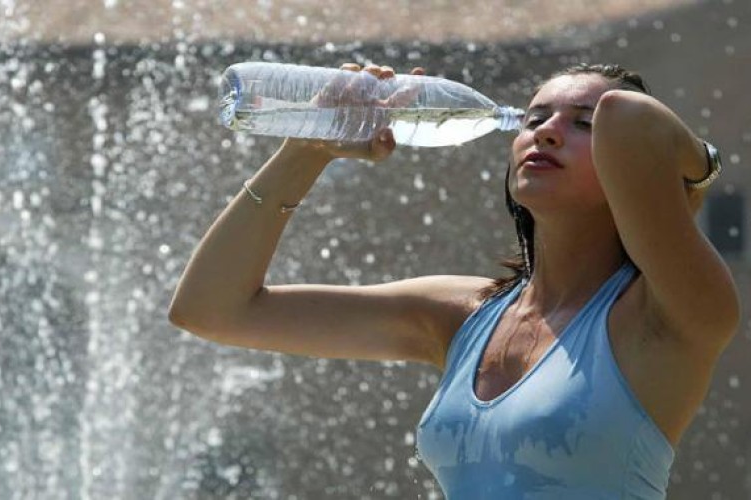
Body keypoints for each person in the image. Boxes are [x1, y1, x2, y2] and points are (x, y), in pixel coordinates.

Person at [168, 62, 740, 499]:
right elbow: (211, 309)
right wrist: (308, 146)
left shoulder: (670, 315)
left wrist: (699, 169)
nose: (546, 133)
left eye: (584, 124)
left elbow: (630, 116)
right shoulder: (462, 314)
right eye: (534, 119)